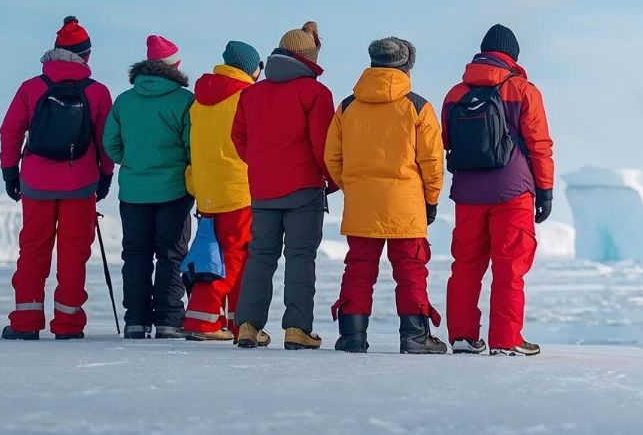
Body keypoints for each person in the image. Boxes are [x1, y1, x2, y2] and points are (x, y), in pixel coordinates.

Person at [326, 37, 447, 355]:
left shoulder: (347, 106)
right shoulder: (418, 106)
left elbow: (332, 158)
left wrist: (352, 186)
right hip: (405, 204)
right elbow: (432, 162)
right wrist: (430, 200)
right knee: (410, 270)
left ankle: (352, 336)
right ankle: (415, 338)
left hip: (361, 202)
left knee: (358, 268)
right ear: (406, 67)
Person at [0, 17, 115, 340]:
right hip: (81, 184)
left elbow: (10, 131)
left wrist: (10, 172)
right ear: (86, 56)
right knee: (73, 256)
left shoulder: (31, 88)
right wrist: (105, 177)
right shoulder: (98, 93)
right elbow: (106, 142)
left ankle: (25, 322)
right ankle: (67, 325)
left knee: (33, 251)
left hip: (36, 183)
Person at [442, 24, 554, 356]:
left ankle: (462, 337)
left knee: (465, 265)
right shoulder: (523, 90)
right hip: (512, 192)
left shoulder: (455, 94)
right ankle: (506, 340)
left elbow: (446, 142)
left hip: (467, 192)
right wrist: (545, 189)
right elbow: (539, 145)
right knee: (510, 266)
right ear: (513, 57)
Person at [232, 22, 335, 350]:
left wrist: (262, 166)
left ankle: (247, 327)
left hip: (263, 189)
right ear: (308, 57)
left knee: (260, 256)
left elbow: (239, 137)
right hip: (304, 188)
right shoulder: (316, 93)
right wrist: (333, 180)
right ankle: (296, 329)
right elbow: (323, 146)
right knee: (300, 257)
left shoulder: (251, 93)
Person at [103, 34, 194, 339]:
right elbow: (192, 146)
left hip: (133, 191)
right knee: (171, 255)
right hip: (174, 190)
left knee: (136, 254)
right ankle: (169, 320)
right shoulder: (184, 101)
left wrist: (133, 161)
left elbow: (111, 145)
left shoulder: (125, 101)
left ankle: (136, 321)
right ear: (174, 66)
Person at [182, 41, 261, 343]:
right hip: (239, 188)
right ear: (252, 68)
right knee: (234, 256)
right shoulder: (248, 96)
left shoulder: (199, 101)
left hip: (206, 188)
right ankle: (201, 318)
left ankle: (236, 322)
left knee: (219, 253)